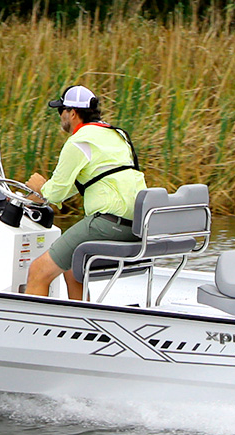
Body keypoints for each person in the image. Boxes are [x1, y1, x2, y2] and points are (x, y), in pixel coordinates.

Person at [23, 85, 147, 300]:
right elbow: (82, 183)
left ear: (72, 113)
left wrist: (40, 186)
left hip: (109, 224)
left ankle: (30, 322)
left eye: (60, 110)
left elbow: (56, 193)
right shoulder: (117, 135)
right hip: (136, 225)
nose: (60, 116)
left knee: (38, 271)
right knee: (72, 267)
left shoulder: (79, 141)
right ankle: (82, 320)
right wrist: (32, 198)